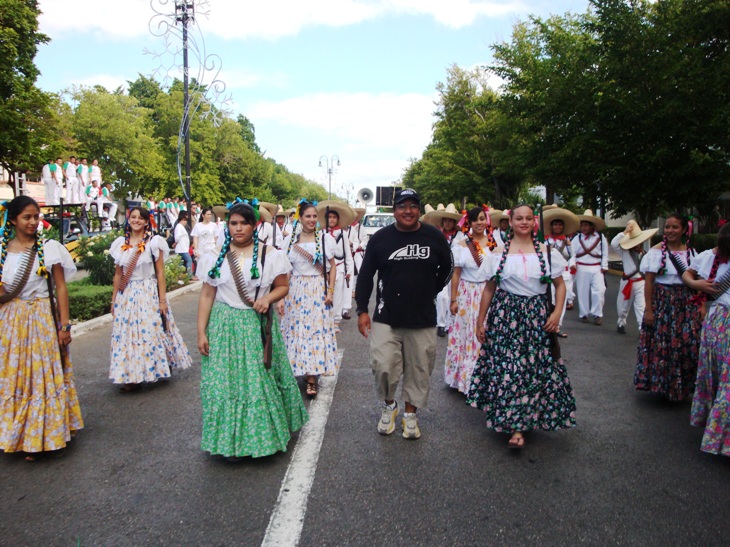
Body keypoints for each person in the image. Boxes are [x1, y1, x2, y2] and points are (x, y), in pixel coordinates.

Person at [197, 201, 307, 459]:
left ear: (254, 225)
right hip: (223, 326)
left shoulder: (270, 254)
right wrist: (201, 332)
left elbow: (282, 286)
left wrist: (267, 299)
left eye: (243, 223)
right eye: (233, 223)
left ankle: (260, 440)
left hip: (254, 325)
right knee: (224, 384)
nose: (237, 228)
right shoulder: (214, 256)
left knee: (259, 381)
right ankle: (229, 442)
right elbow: (206, 295)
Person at [466, 204, 576, 449]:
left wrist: (557, 313)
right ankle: (515, 425)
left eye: (528, 218)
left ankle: (527, 417)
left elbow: (559, 286)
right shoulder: (499, 253)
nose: (524, 222)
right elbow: (489, 289)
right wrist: (480, 321)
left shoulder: (547, 253)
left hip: (537, 317)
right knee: (510, 369)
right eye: (519, 218)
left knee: (532, 370)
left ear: (534, 222)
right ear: (511, 221)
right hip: (506, 316)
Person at [356, 188, 453, 440]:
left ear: (419, 210)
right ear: (394, 210)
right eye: (402, 206)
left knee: (419, 368)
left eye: (413, 205)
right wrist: (361, 310)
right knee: (382, 364)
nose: (407, 211)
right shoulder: (380, 239)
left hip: (422, 318)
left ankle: (410, 414)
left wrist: (432, 288)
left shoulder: (434, 237)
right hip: (386, 316)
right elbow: (366, 275)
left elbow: (448, 267)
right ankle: (389, 406)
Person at [0, 196, 83, 460]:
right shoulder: (2, 251)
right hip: (11, 322)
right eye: (27, 217)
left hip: (42, 319)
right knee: (15, 378)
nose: (34, 222)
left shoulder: (49, 248)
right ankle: (16, 432)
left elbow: (61, 288)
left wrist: (64, 326)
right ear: (12, 220)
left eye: (36, 216)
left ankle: (41, 434)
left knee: (41, 379)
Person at [109, 207, 192, 391]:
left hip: (147, 291)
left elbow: (160, 272)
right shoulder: (120, 243)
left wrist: (162, 300)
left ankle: (157, 365)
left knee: (149, 331)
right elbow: (117, 274)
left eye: (140, 218)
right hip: (127, 294)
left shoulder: (154, 242)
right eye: (133, 217)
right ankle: (131, 376)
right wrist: (114, 299)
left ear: (147, 221)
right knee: (128, 335)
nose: (136, 220)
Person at [634, 213, 699, 401]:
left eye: (675, 227)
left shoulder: (692, 253)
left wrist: (700, 306)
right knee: (664, 344)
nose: (670, 230)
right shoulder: (656, 253)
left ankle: (682, 384)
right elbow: (649, 282)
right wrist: (648, 309)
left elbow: (697, 281)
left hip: (686, 303)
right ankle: (664, 385)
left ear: (684, 230)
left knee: (687, 344)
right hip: (662, 302)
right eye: (667, 227)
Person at [279, 200, 338, 397]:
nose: (312, 220)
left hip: (317, 290)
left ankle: (312, 378)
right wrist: (281, 297)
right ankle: (297, 369)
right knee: (297, 331)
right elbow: (286, 271)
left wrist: (330, 291)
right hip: (296, 290)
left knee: (314, 332)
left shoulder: (325, 239)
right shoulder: (290, 241)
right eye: (308, 216)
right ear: (300, 218)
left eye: (314, 216)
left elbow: (333, 267)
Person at [684, 223, 730, 457]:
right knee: (722, 379)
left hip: (719, 321)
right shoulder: (713, 258)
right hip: (722, 321)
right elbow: (689, 274)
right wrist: (695, 284)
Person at [444, 206, 495, 394]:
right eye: (475, 220)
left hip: (487, 292)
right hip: (467, 292)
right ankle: (463, 380)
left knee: (484, 333)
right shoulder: (462, 245)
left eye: (482, 219)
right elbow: (456, 274)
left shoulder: (494, 244)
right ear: (469, 223)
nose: (480, 223)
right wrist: (453, 299)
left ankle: (483, 379)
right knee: (466, 334)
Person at [423, 203, 464, 337]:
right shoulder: (439, 235)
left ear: (454, 222)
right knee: (442, 296)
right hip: (442, 268)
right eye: (445, 220)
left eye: (449, 220)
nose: (447, 223)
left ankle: (450, 324)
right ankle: (440, 324)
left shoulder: (461, 236)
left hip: (457, 270)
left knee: (455, 297)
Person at [610, 220, 657, 334]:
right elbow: (614, 243)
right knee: (623, 307)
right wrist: (624, 232)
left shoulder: (645, 253)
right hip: (627, 282)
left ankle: (642, 329)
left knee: (641, 306)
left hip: (641, 282)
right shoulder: (624, 252)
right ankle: (621, 321)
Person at [318, 201, 356, 332]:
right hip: (324, 268)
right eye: (329, 217)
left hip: (339, 267)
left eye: (334, 217)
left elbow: (347, 253)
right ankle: (325, 319)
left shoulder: (343, 233)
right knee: (325, 293)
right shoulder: (320, 233)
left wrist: (349, 269)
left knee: (337, 294)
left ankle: (335, 320)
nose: (332, 220)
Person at [543, 206, 580, 337]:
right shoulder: (546, 240)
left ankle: (558, 325)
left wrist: (573, 264)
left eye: (560, 225)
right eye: (555, 225)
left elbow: (572, 256)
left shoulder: (567, 241)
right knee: (550, 297)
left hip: (564, 273)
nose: (557, 227)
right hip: (550, 273)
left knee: (562, 299)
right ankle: (548, 322)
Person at [571, 210, 608, 325]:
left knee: (599, 291)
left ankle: (597, 314)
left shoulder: (601, 238)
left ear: (592, 226)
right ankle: (583, 314)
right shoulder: (576, 239)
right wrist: (573, 264)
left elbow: (605, 253)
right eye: (582, 225)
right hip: (581, 267)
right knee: (582, 292)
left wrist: (604, 266)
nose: (583, 228)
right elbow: (573, 254)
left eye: (586, 225)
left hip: (596, 268)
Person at [344, 207, 367, 320]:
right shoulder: (344, 228)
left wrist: (357, 246)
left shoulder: (359, 228)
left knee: (357, 271)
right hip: (345, 255)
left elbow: (363, 240)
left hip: (356, 253)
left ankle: (354, 291)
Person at [172, 210, 193, 275]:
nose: (186, 222)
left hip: (183, 248)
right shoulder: (179, 226)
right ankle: (189, 275)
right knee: (189, 260)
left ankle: (179, 274)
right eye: (185, 220)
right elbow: (177, 237)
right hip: (182, 248)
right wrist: (176, 242)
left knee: (180, 262)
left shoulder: (180, 226)